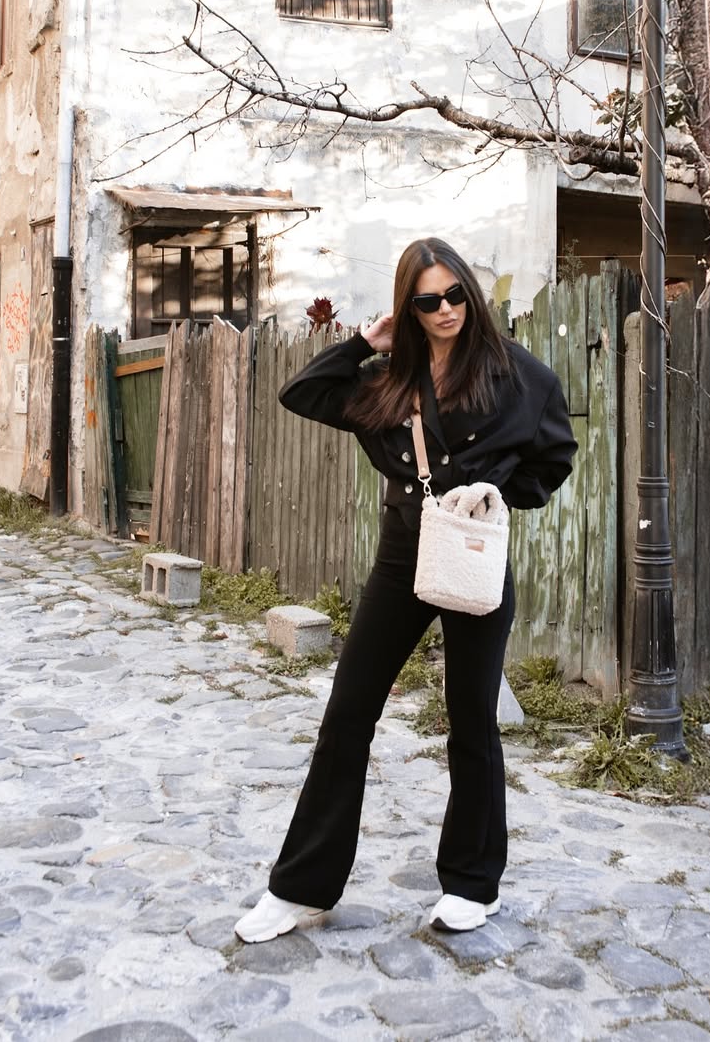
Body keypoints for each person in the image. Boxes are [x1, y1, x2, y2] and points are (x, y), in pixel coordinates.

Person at [234, 237, 576, 943]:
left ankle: (473, 884)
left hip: (474, 554)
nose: (446, 309)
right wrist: (366, 340)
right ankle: (299, 888)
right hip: (402, 557)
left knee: (472, 719)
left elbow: (555, 455)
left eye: (455, 294)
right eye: (428, 300)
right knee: (348, 713)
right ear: (409, 307)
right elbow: (303, 393)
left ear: (470, 294)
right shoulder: (389, 380)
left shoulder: (519, 376)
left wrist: (497, 492)